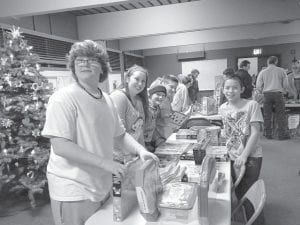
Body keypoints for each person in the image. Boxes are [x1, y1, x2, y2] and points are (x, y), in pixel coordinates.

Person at [42, 40, 157, 225]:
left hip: (101, 184)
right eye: (79, 59)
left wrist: (140, 151)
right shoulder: (63, 98)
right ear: (73, 66)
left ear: (103, 68)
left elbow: (120, 135)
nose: (84, 63)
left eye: (91, 59)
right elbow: (61, 146)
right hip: (73, 187)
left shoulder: (106, 99)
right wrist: (106, 164)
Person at [219, 74, 264, 224]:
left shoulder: (251, 105)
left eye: (234, 88)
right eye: (227, 88)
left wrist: (244, 156)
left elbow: (256, 132)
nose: (230, 91)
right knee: (236, 190)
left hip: (250, 156)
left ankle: (256, 221)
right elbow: (227, 131)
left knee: (249, 192)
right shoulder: (223, 108)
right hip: (232, 155)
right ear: (223, 89)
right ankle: (242, 217)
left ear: (242, 89)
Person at [110, 65, 149, 146]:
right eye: (136, 79)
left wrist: (143, 151)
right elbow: (119, 132)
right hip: (120, 155)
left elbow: (139, 131)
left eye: (143, 81)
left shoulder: (139, 100)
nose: (140, 83)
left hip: (133, 152)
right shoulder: (118, 97)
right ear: (127, 79)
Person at [256, 56, 290, 140]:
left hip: (267, 94)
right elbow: (286, 84)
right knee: (280, 115)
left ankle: (268, 134)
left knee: (267, 115)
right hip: (278, 94)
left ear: (268, 62)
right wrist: (284, 91)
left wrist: (260, 91)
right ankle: (281, 135)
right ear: (276, 61)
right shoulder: (281, 70)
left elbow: (258, 85)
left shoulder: (263, 72)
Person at [150, 74, 179, 147]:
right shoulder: (157, 100)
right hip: (159, 140)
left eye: (175, 88)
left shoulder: (167, 98)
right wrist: (158, 140)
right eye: (171, 87)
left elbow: (170, 114)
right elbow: (152, 124)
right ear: (163, 84)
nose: (173, 90)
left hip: (167, 137)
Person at [144, 85, 167, 152]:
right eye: (158, 94)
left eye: (163, 95)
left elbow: (154, 127)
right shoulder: (144, 108)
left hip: (150, 141)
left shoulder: (157, 108)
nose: (161, 97)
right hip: (141, 143)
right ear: (150, 95)